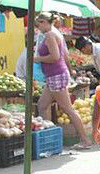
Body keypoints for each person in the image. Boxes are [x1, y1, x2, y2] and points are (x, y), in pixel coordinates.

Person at [35, 13, 91, 147]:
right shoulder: (56, 33)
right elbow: (63, 55)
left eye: (39, 25)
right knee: (42, 105)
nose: (38, 28)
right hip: (54, 75)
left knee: (67, 109)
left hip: (56, 75)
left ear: (44, 22)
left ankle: (84, 140)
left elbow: (55, 57)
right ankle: (47, 139)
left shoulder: (50, 35)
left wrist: (37, 59)